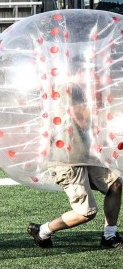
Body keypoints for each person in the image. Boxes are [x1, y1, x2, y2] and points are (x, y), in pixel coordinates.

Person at [28, 85, 123, 249]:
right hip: (66, 161)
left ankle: (110, 236)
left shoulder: (83, 88)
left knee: (115, 184)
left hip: (85, 155)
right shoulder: (63, 94)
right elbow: (84, 116)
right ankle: (42, 231)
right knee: (86, 212)